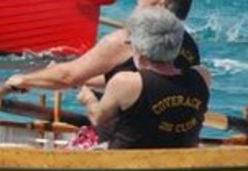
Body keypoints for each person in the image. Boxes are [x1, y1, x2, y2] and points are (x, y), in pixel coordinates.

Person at [8, 0, 200, 92]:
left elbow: (67, 76)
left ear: (161, 5)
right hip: (174, 137)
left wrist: (24, 79)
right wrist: (80, 79)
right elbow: (136, 78)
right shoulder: (189, 44)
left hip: (129, 138)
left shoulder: (127, 41)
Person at [77, 8, 210, 149]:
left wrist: (88, 99)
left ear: (140, 53)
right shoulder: (202, 76)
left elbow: (97, 119)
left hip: (127, 159)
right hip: (183, 158)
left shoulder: (125, 82)